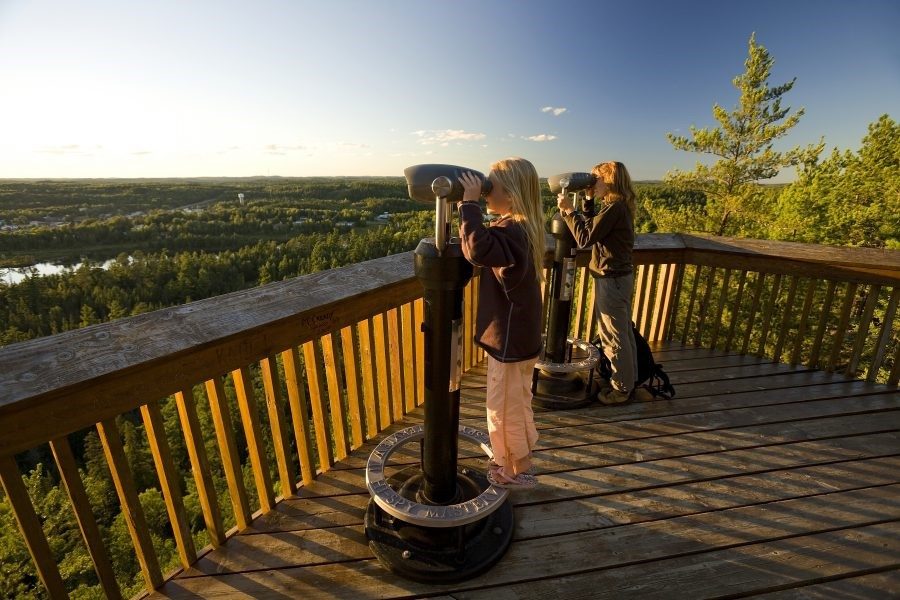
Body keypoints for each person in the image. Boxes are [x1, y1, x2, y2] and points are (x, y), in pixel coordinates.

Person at [458, 158, 544, 488]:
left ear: (510, 195)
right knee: (517, 403)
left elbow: (477, 249)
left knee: (502, 407)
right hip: (521, 339)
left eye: (490, 186)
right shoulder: (524, 228)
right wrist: (470, 206)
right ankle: (516, 458)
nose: (485, 192)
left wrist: (468, 205)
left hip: (510, 341)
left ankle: (513, 472)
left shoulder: (511, 232)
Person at [557, 161, 640, 405]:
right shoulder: (616, 206)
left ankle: (621, 389)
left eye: (596, 179)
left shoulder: (615, 208)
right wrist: (589, 199)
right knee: (622, 332)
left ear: (609, 180)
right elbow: (594, 226)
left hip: (612, 279)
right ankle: (628, 380)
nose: (592, 183)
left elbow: (584, 237)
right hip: (617, 277)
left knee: (613, 336)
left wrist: (568, 211)